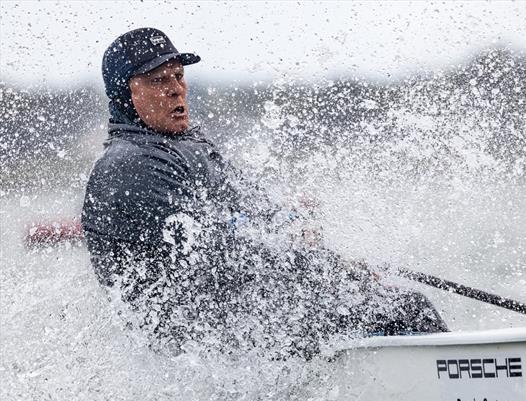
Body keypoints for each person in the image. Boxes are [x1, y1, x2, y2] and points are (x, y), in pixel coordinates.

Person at [81, 28, 446, 356]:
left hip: (240, 315)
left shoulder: (188, 144)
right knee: (408, 310)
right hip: (203, 339)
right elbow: (217, 257)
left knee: (393, 304)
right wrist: (327, 274)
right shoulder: (130, 165)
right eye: (160, 80)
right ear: (126, 94)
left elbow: (256, 212)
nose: (177, 88)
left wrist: (317, 250)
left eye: (179, 75)